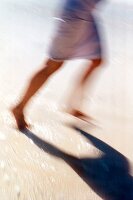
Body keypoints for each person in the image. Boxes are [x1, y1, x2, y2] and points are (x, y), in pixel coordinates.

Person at [12, 0, 103, 130]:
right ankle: (19, 108)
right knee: (53, 64)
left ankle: (73, 105)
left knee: (97, 60)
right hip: (75, 14)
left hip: (86, 13)